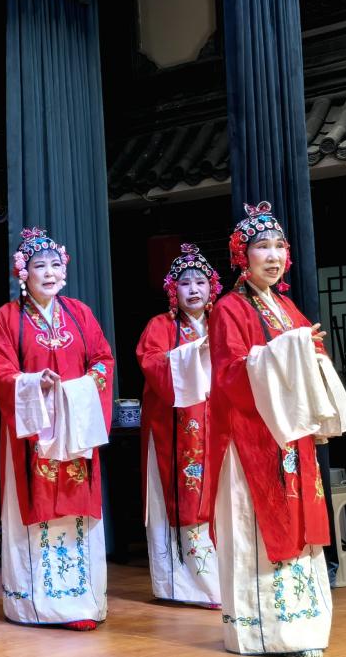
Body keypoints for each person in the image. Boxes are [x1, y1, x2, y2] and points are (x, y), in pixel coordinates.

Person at [208, 202, 346, 657]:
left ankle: (302, 630)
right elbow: (228, 375)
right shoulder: (228, 308)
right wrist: (291, 347)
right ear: (242, 256)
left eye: (280, 247)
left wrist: (305, 351)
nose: (273, 256)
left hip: (292, 437)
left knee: (300, 524)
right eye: (262, 247)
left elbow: (306, 360)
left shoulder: (287, 306)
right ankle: (260, 633)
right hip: (251, 438)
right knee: (256, 529)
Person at [0, 227, 113, 631]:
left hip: (75, 432)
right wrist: (32, 383)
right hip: (33, 433)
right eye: (40, 266)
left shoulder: (80, 313)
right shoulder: (7, 319)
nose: (50, 272)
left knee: (77, 509)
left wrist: (86, 384)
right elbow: (0, 370)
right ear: (23, 274)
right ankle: (36, 606)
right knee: (37, 508)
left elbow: (103, 359)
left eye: (56, 264)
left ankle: (82, 602)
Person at [136, 244, 222, 607]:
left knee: (218, 500)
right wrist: (192, 353)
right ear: (174, 290)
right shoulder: (160, 326)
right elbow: (151, 362)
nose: (194, 290)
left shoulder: (223, 324)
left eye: (200, 282)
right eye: (185, 283)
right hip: (171, 432)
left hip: (217, 429)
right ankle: (177, 586)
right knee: (177, 498)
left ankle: (221, 582)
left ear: (212, 287)